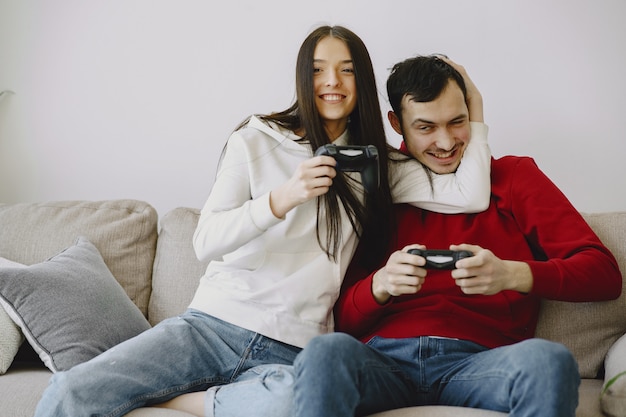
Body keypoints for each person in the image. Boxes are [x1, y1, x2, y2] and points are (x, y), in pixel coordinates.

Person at [34, 28, 490, 417]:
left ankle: (189, 402)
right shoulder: (256, 138)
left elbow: (468, 194)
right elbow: (206, 241)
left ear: (361, 81)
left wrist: (477, 106)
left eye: (347, 69)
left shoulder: (378, 164)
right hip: (210, 327)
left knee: (304, 400)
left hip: (295, 349)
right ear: (301, 77)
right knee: (70, 390)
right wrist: (283, 197)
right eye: (318, 69)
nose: (332, 81)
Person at [291, 55, 623, 417]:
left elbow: (603, 274)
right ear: (396, 123)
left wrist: (512, 274)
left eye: (457, 122)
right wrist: (380, 285)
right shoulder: (373, 184)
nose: (446, 142)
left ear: (473, 116)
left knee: (550, 360)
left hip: (482, 363)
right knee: (323, 353)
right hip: (382, 361)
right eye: (426, 127)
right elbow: (334, 315)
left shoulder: (514, 177)